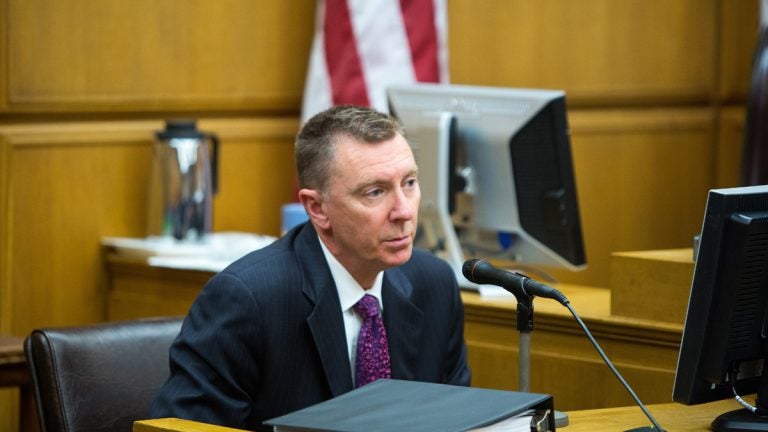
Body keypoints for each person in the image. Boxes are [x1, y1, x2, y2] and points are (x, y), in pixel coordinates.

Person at [149, 105, 471, 430]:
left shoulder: (434, 284)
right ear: (317, 208)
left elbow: (457, 421)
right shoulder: (249, 298)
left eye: (410, 183)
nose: (403, 210)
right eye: (375, 192)